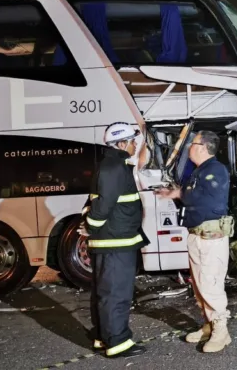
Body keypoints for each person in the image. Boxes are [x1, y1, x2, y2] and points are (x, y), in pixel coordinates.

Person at [155, 130, 234, 353]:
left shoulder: (215, 170)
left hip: (211, 239)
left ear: (202, 147)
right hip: (196, 235)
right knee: (199, 286)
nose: (189, 146)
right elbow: (191, 194)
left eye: (192, 143)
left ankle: (221, 331)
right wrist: (176, 193)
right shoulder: (199, 171)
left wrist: (179, 193)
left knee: (210, 284)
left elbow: (198, 196)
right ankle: (209, 325)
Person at [80, 122, 149, 358]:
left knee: (105, 292)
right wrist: (91, 226)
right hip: (116, 242)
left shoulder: (110, 165)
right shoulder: (115, 167)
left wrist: (90, 226)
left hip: (112, 241)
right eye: (132, 141)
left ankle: (103, 337)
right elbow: (103, 205)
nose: (134, 145)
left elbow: (96, 201)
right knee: (116, 293)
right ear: (121, 143)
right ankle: (118, 343)